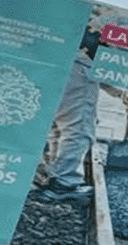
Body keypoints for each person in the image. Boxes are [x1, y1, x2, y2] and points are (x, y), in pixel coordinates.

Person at [35, 12, 105, 202]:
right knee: (78, 126)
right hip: (79, 63)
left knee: (58, 125)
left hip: (59, 59)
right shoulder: (112, 23)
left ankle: (53, 174)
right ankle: (62, 182)